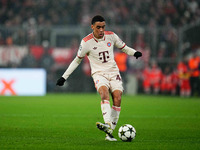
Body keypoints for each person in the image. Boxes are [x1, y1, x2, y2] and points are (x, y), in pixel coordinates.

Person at [56, 15, 142, 141]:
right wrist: (64, 77)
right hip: (99, 73)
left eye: (103, 27)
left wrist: (134, 52)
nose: (101, 30)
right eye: (98, 27)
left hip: (113, 72)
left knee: (117, 98)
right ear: (92, 27)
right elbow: (76, 61)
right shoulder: (86, 42)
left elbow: (124, 47)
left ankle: (109, 133)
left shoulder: (111, 36)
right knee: (104, 93)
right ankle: (107, 124)